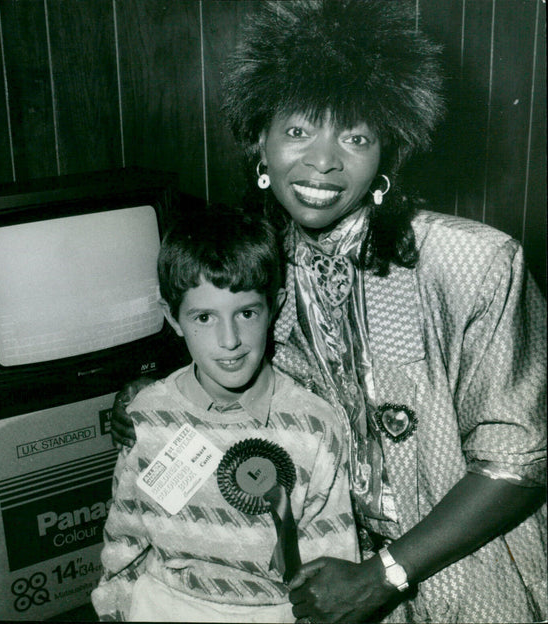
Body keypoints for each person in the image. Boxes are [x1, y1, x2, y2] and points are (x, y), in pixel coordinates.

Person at [110, 1, 547, 622]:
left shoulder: (475, 264)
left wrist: (384, 572)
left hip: (468, 576)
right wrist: (145, 398)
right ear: (259, 141)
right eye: (297, 131)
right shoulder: (260, 270)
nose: (323, 161)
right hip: (311, 579)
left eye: (355, 135)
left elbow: (519, 462)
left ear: (386, 152)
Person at [92, 207, 359, 622]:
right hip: (166, 605)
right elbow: (124, 541)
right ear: (173, 319)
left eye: (247, 313)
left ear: (275, 308)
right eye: (203, 317)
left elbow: (332, 561)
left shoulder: (315, 425)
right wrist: (113, 610)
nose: (230, 340)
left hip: (273, 611)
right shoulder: (147, 416)